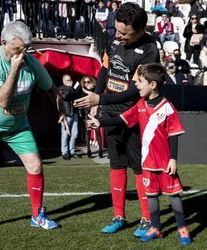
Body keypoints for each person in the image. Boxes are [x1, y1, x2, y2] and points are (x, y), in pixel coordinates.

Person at [0, 21, 69, 237]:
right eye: (18, 48)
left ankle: (37, 216)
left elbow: (51, 89)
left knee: (36, 165)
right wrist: (15, 70)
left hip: (17, 126)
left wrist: (62, 111)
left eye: (26, 48)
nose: (23, 53)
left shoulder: (31, 62)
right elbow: (2, 101)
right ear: (3, 43)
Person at [74, 2, 159, 237]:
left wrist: (99, 102)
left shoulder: (151, 50)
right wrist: (96, 97)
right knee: (116, 163)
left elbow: (136, 91)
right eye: (117, 30)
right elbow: (104, 71)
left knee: (138, 167)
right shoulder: (114, 41)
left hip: (134, 115)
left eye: (124, 33)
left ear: (140, 30)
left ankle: (146, 218)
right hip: (109, 112)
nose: (118, 36)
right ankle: (118, 216)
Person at [87, 63, 191, 246]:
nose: (136, 85)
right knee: (151, 196)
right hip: (147, 163)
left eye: (140, 81)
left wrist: (173, 158)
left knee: (174, 196)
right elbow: (122, 119)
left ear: (152, 85)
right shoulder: (140, 105)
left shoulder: (167, 107)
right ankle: (155, 227)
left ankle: (182, 228)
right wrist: (100, 123)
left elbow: (174, 134)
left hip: (165, 163)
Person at [80, 75, 103, 158]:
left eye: (88, 82)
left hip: (95, 112)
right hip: (86, 113)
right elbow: (75, 93)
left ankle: (100, 151)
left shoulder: (95, 89)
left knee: (97, 132)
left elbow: (99, 96)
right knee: (88, 132)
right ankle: (88, 151)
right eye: (84, 82)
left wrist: (92, 89)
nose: (86, 83)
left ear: (92, 82)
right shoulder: (82, 90)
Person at [59, 74, 80, 160]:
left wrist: (73, 88)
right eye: (67, 80)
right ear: (63, 81)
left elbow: (76, 96)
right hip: (66, 114)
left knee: (75, 134)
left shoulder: (72, 89)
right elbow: (64, 97)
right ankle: (64, 152)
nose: (70, 82)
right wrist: (69, 88)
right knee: (65, 135)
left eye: (70, 80)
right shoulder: (60, 89)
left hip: (74, 113)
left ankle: (72, 151)